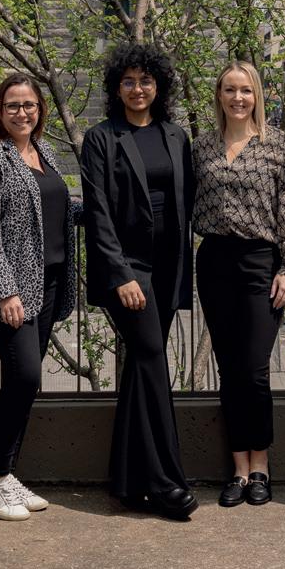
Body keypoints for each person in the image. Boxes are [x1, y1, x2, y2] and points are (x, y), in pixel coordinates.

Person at [80, 43, 197, 520]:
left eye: (145, 80)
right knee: (151, 358)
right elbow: (97, 213)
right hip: (128, 269)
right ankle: (165, 483)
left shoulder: (176, 136)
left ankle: (127, 482)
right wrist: (121, 274)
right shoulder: (101, 138)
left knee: (141, 369)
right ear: (116, 88)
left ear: (159, 86)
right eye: (128, 81)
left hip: (168, 266)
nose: (137, 89)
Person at [0, 73, 80, 521]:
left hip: (48, 282)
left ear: (40, 110)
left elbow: (55, 208)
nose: (22, 112)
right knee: (25, 376)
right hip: (9, 289)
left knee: (22, 384)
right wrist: (5, 290)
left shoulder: (43, 151)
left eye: (29, 105)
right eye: (12, 105)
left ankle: (6, 474)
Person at [193, 60, 285, 507]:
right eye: (230, 90)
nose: (238, 98)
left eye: (245, 90)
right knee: (229, 368)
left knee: (256, 369)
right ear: (219, 95)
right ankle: (239, 468)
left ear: (257, 95)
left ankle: (261, 465)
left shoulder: (279, 145)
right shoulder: (202, 147)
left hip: (262, 261)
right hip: (215, 260)